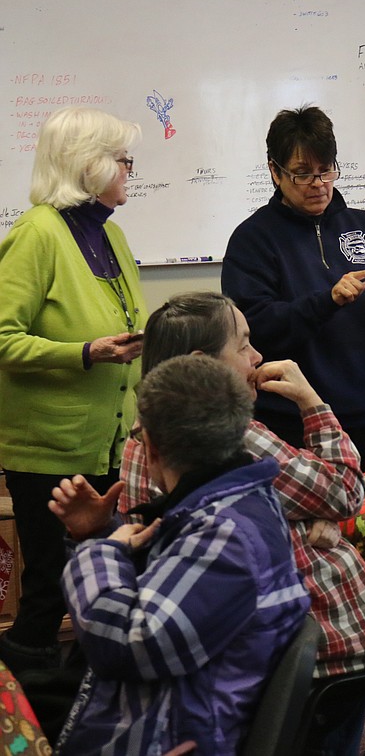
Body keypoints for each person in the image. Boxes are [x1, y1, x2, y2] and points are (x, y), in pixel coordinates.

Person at [83, 292, 365, 755]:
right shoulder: (236, 439)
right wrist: (313, 403)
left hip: (231, 651)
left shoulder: (144, 439)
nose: (258, 357)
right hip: (319, 644)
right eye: (243, 345)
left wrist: (318, 515)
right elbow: (345, 491)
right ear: (206, 364)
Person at [50, 354, 311, 754]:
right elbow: (168, 593)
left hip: (164, 735)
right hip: (165, 710)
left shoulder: (225, 534)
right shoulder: (236, 502)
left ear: (151, 448)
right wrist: (100, 532)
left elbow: (125, 644)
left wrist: (98, 550)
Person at [0, 106, 146, 675]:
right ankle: (31, 710)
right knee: (52, 590)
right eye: (121, 159)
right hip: (49, 449)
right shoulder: (36, 234)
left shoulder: (111, 233)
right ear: (89, 166)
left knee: (101, 583)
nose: (129, 170)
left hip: (109, 444)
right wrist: (85, 354)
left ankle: (87, 699)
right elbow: (3, 338)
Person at [222, 105, 365, 471]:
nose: (318, 184)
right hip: (291, 418)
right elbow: (256, 326)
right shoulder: (253, 239)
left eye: (325, 171)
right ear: (274, 171)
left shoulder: (364, 226)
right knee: (310, 526)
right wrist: (327, 301)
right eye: (302, 174)